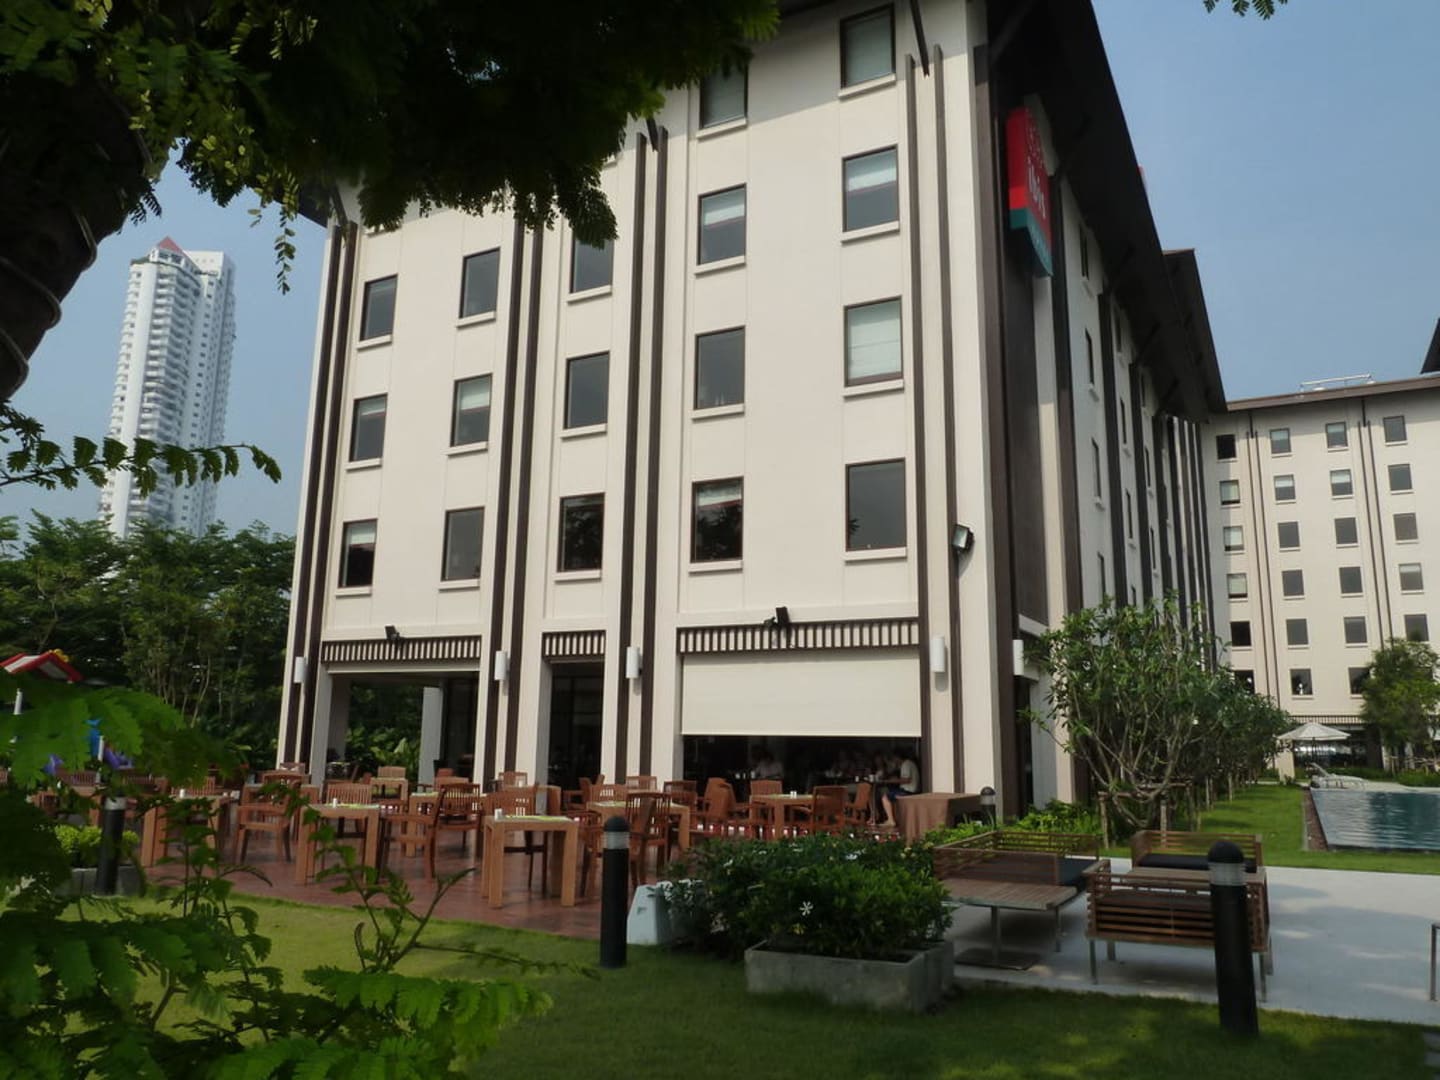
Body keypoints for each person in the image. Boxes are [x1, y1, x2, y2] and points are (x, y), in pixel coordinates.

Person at [879, 750, 919, 829]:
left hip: (908, 792)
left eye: (894, 758)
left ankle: (891, 820)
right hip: (912, 790)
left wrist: (891, 781)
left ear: (897, 758)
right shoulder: (909, 763)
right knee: (891, 793)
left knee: (885, 797)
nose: (894, 761)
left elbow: (906, 780)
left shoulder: (906, 764)